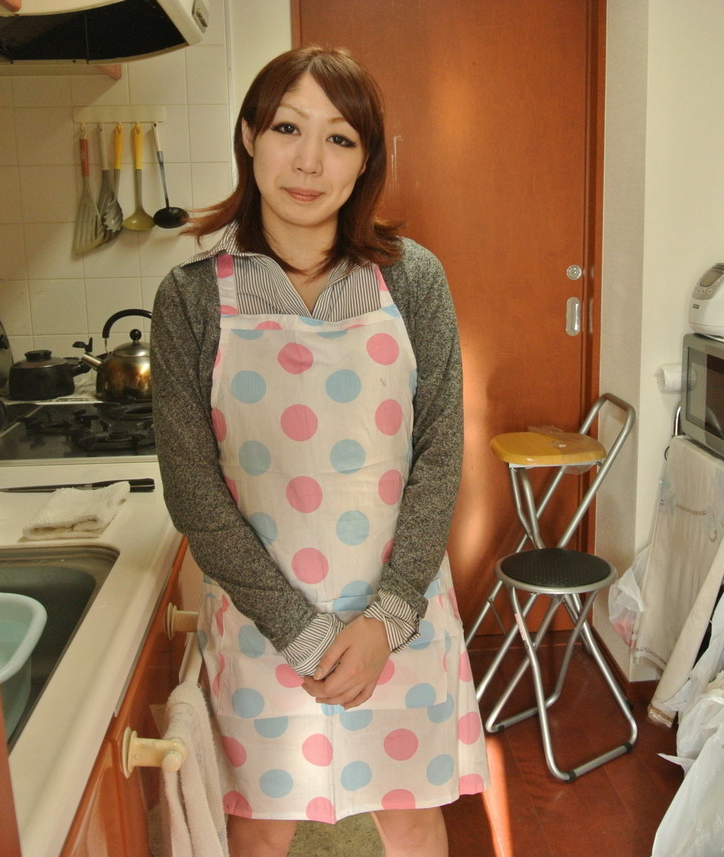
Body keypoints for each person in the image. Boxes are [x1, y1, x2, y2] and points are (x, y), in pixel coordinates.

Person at [151, 46, 488, 857]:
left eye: (339, 138)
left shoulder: (413, 281)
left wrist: (386, 620)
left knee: (409, 815)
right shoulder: (192, 297)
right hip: (263, 623)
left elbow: (440, 456)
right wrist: (300, 632)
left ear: (365, 159)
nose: (309, 161)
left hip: (399, 617)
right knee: (261, 824)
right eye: (287, 129)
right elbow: (193, 490)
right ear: (249, 136)